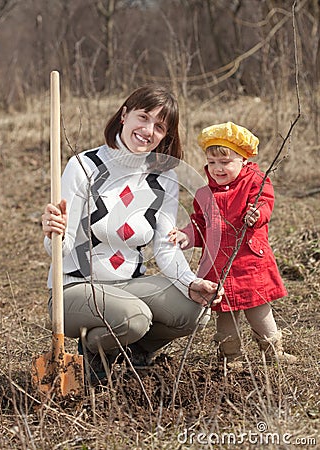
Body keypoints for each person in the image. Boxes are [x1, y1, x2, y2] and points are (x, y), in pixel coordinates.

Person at [41, 85, 223, 380]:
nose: (148, 130)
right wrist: (53, 234)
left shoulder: (164, 179)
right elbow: (61, 249)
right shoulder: (84, 166)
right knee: (135, 317)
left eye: (160, 126)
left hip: (128, 285)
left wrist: (190, 282)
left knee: (196, 310)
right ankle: (94, 350)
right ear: (124, 115)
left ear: (166, 136)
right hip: (75, 289)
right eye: (143, 117)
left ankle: (128, 352)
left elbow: (165, 248)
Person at [169, 121, 296, 367]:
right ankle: (231, 356)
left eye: (225, 162)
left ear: (243, 160)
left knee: (258, 309)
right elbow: (200, 225)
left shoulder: (255, 183)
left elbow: (264, 204)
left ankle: (273, 351)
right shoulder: (205, 194)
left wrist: (256, 214)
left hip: (250, 262)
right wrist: (187, 235)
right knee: (225, 312)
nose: (217, 168)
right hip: (218, 265)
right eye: (212, 162)